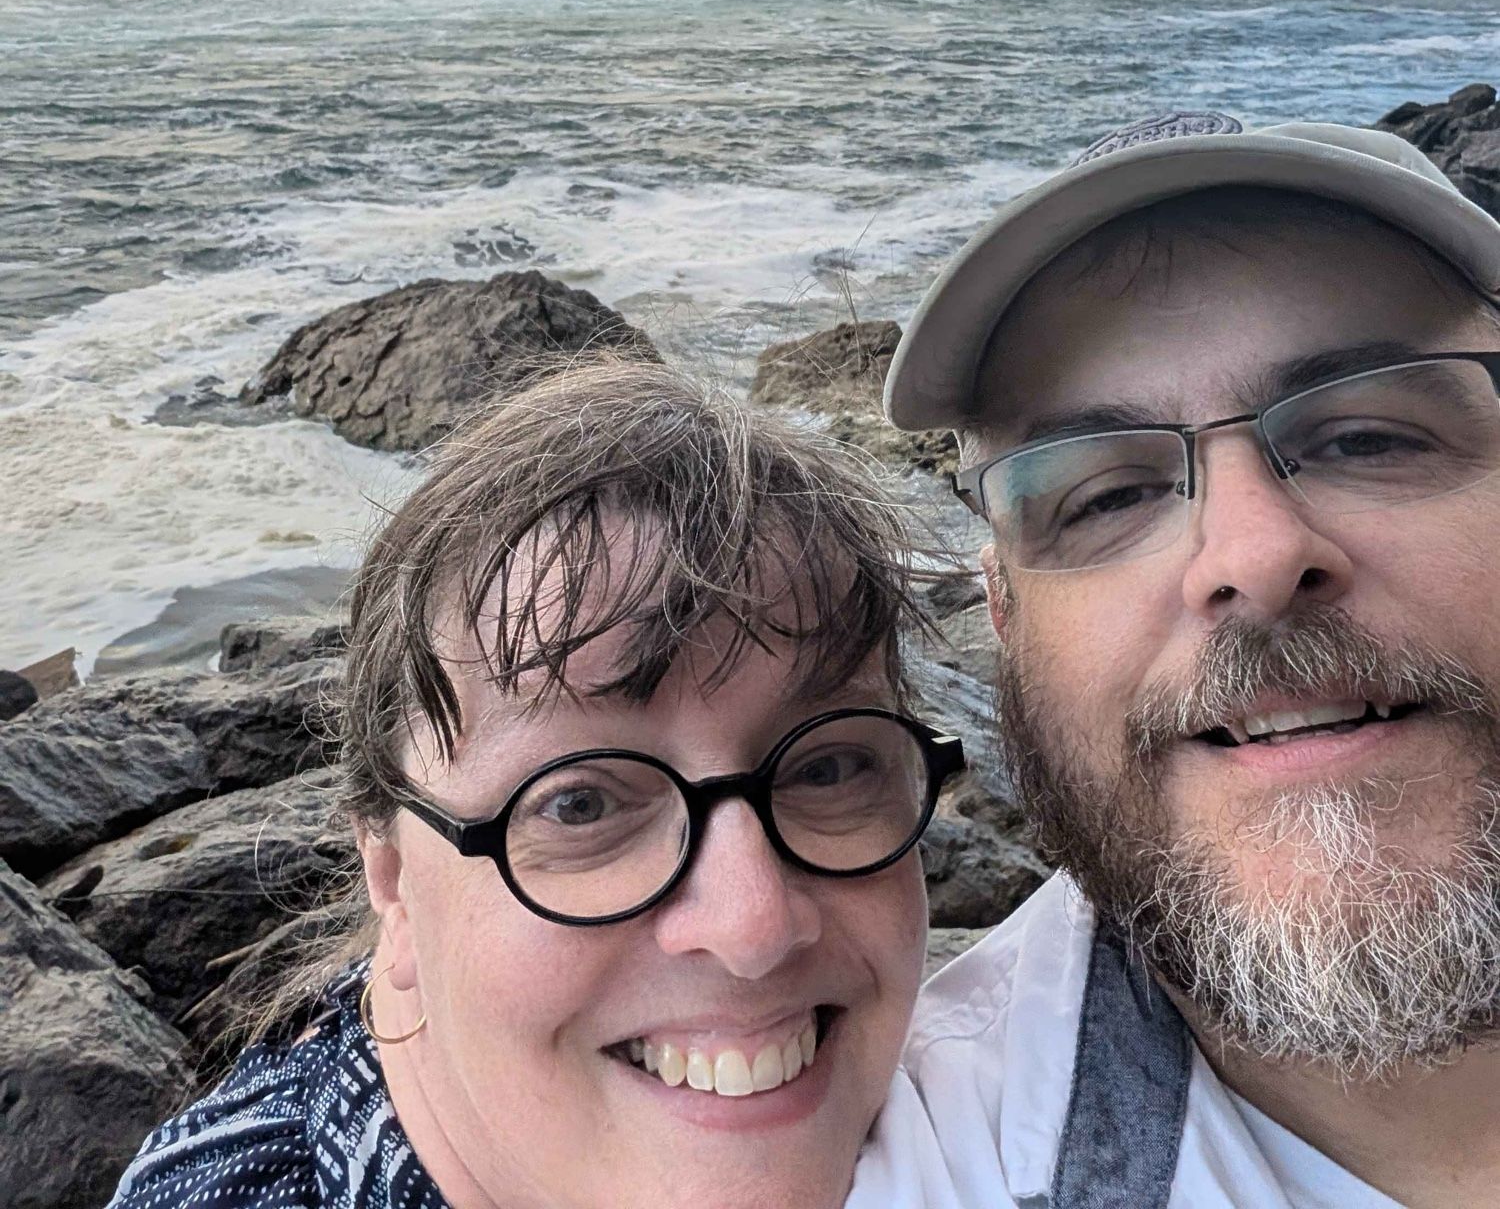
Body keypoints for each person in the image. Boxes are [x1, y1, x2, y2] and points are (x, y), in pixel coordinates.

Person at [108, 355, 964, 1209]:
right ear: (394, 879)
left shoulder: (1025, 1079)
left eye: (828, 768)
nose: (753, 927)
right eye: (578, 803)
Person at [849, 112, 1500, 1209]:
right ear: (1003, 611)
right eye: (1108, 494)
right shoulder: (928, 1167)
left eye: (1368, 437)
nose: (1253, 555)